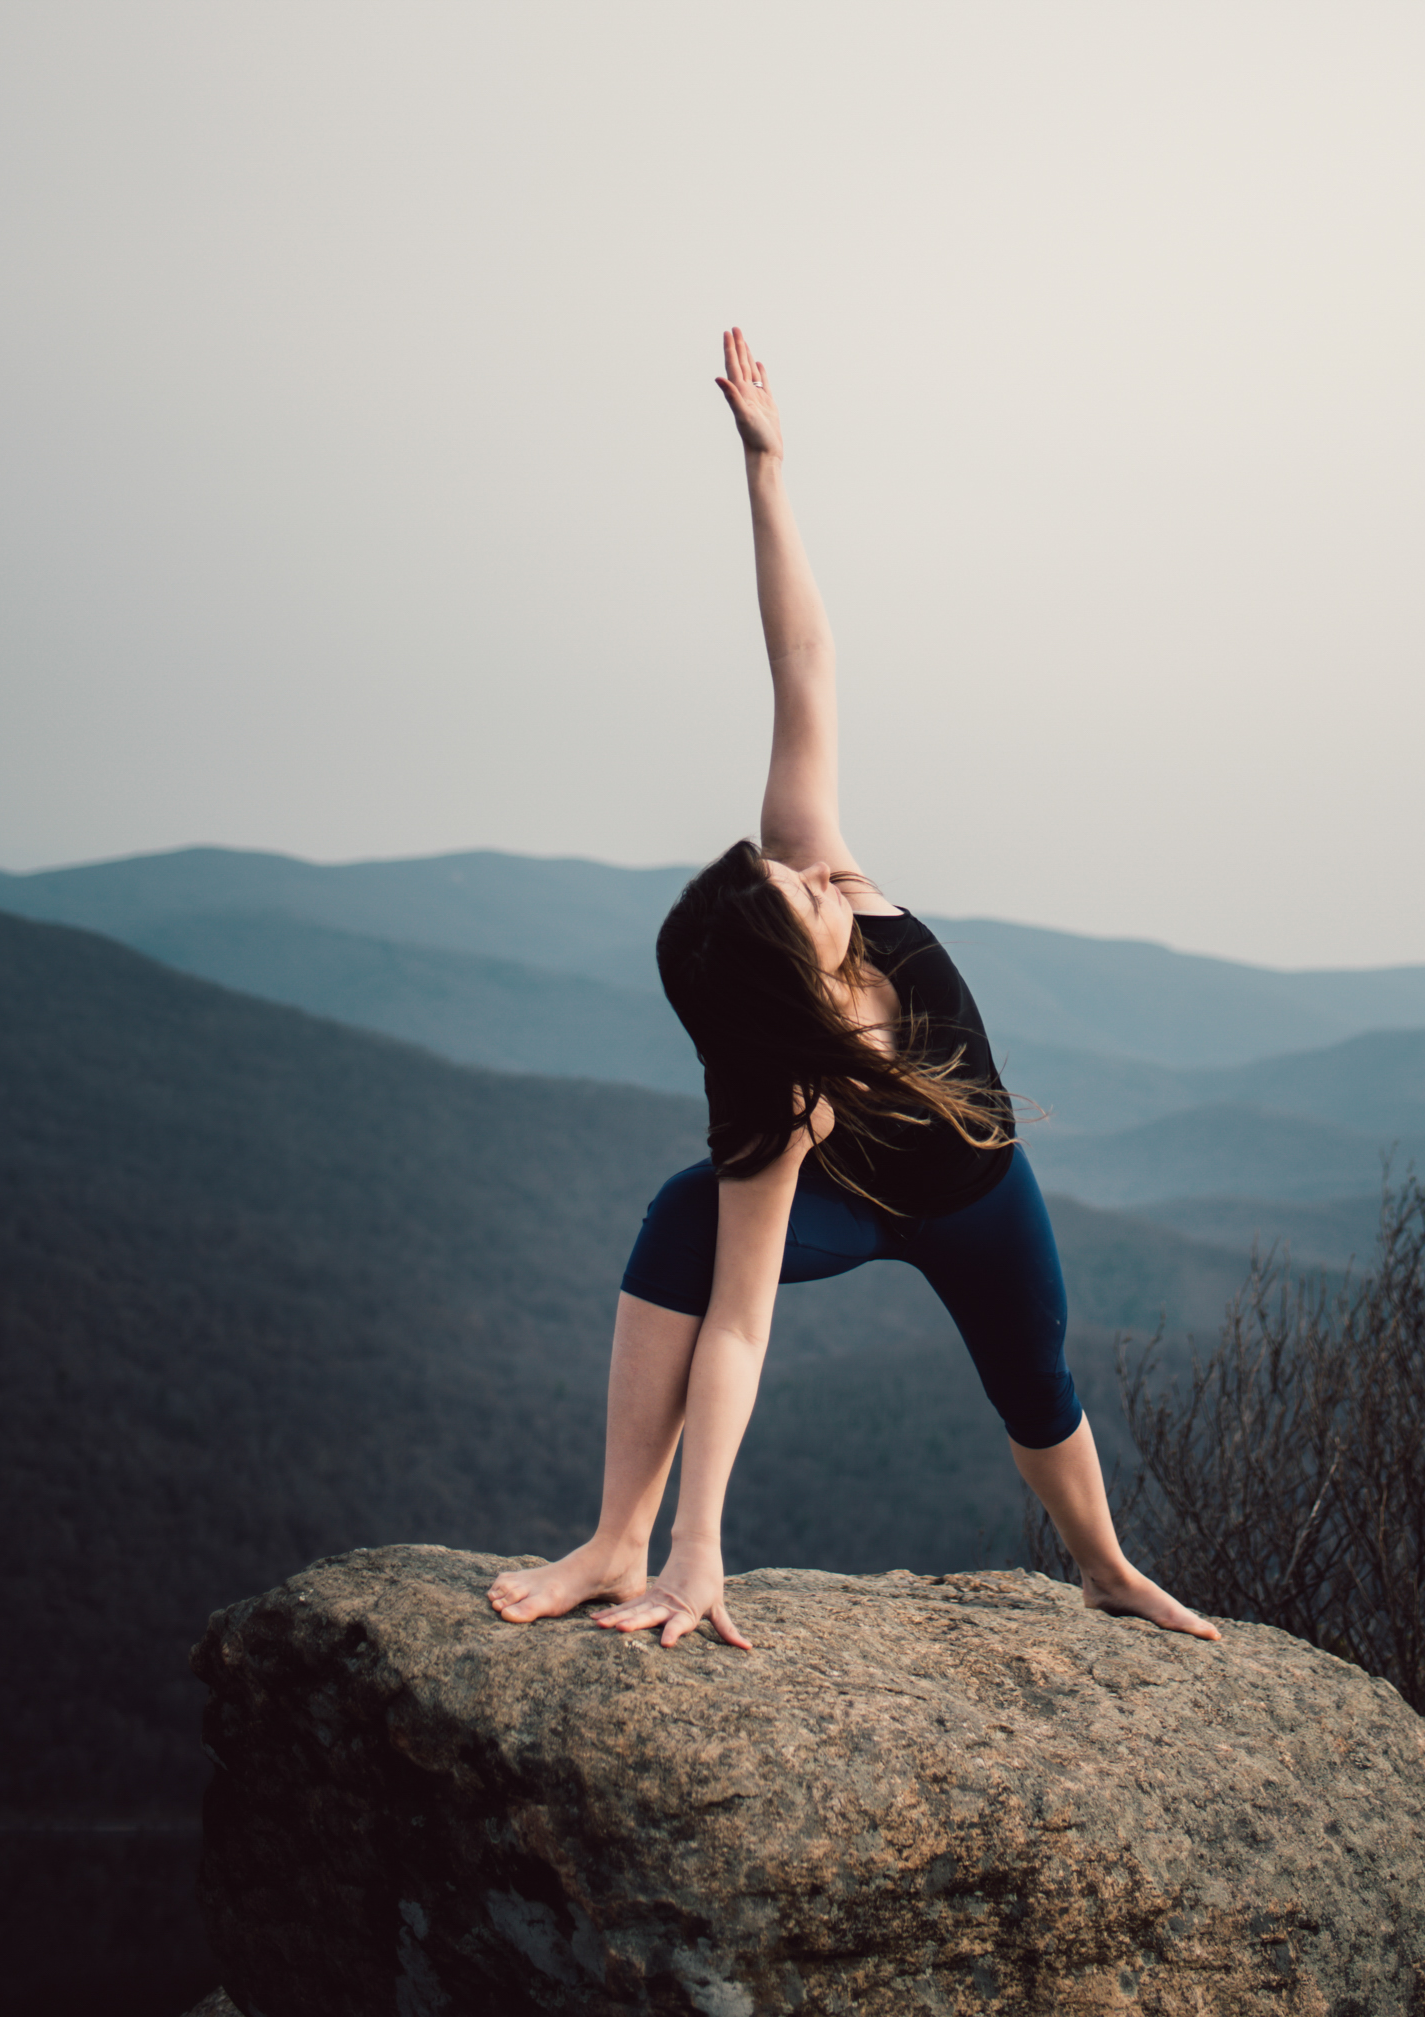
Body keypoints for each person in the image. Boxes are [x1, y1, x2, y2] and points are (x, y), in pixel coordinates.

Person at [487, 330, 1217, 1650]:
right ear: (790, 998)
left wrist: (768, 469)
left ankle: (1107, 1567)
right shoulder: (784, 1107)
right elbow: (739, 1339)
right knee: (683, 1220)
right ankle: (616, 1543)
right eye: (796, 902)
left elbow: (804, 661)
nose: (818, 880)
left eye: (793, 876)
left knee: (1037, 1385)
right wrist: (699, 1553)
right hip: (855, 1202)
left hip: (979, 1195)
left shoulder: (831, 874)